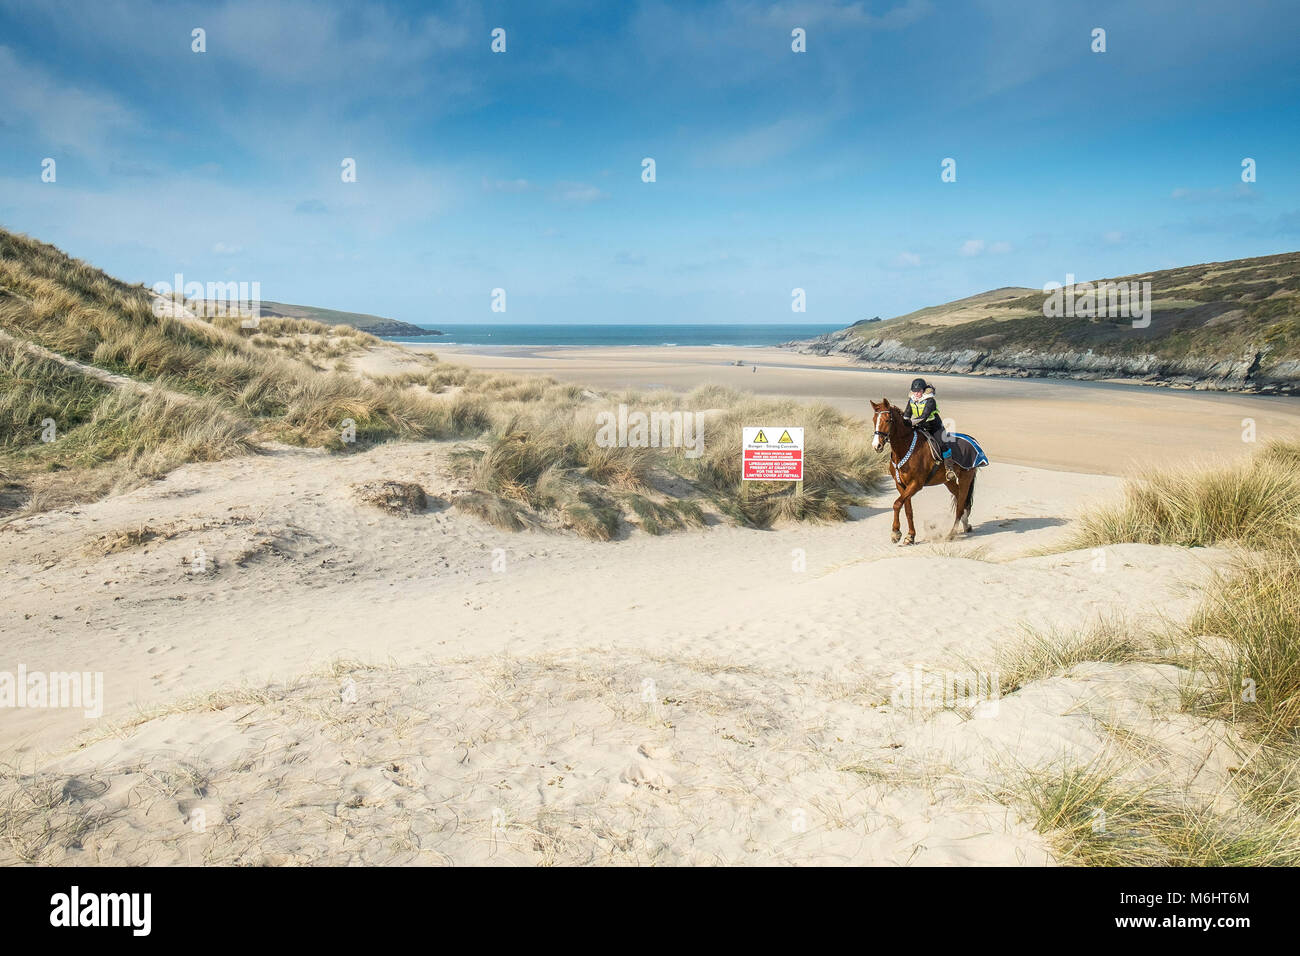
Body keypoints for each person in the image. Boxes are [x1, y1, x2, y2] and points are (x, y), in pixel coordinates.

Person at [906, 378, 957, 481]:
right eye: (915, 391)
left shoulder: (930, 400)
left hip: (934, 427)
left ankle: (949, 469)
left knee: (943, 444)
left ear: (923, 390)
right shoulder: (911, 400)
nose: (916, 393)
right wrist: (904, 423)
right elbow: (907, 414)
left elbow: (924, 417)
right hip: (920, 427)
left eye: (919, 391)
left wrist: (910, 423)